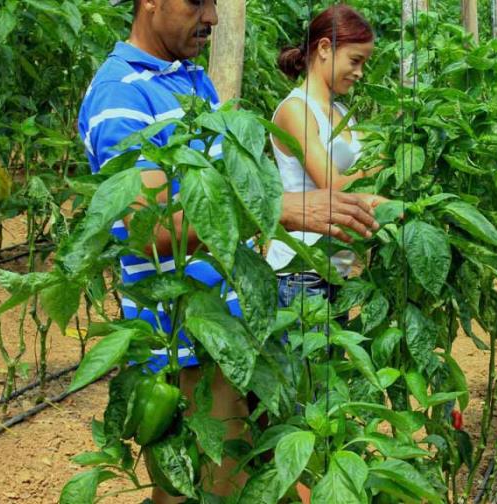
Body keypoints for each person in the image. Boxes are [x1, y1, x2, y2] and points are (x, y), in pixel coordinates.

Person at [79, 0, 379, 500]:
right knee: (212, 489)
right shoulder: (119, 93)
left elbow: (225, 187)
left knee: (239, 481)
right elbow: (146, 228)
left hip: (230, 328)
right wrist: (273, 209)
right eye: (198, 2)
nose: (213, 17)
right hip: (180, 343)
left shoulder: (194, 81)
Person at [268, 5, 378, 310]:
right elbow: (337, 187)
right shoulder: (296, 110)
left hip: (336, 270)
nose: (359, 72)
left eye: (364, 64)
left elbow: (369, 171)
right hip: (301, 272)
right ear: (325, 48)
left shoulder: (343, 113)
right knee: (306, 359)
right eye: (355, 61)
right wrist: (387, 161)